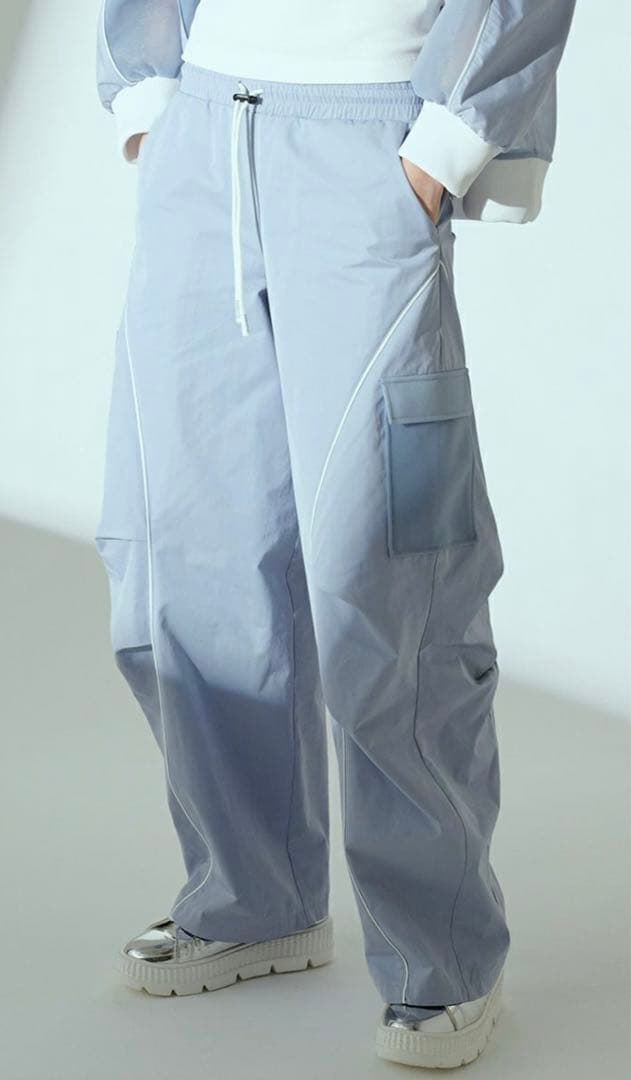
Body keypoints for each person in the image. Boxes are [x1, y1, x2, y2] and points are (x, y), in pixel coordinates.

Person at [95, 0, 575, 1068]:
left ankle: (443, 956)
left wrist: (442, 147)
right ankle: (253, 898)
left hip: (369, 137)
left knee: (395, 571)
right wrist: (151, 100)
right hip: (201, 136)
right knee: (188, 547)